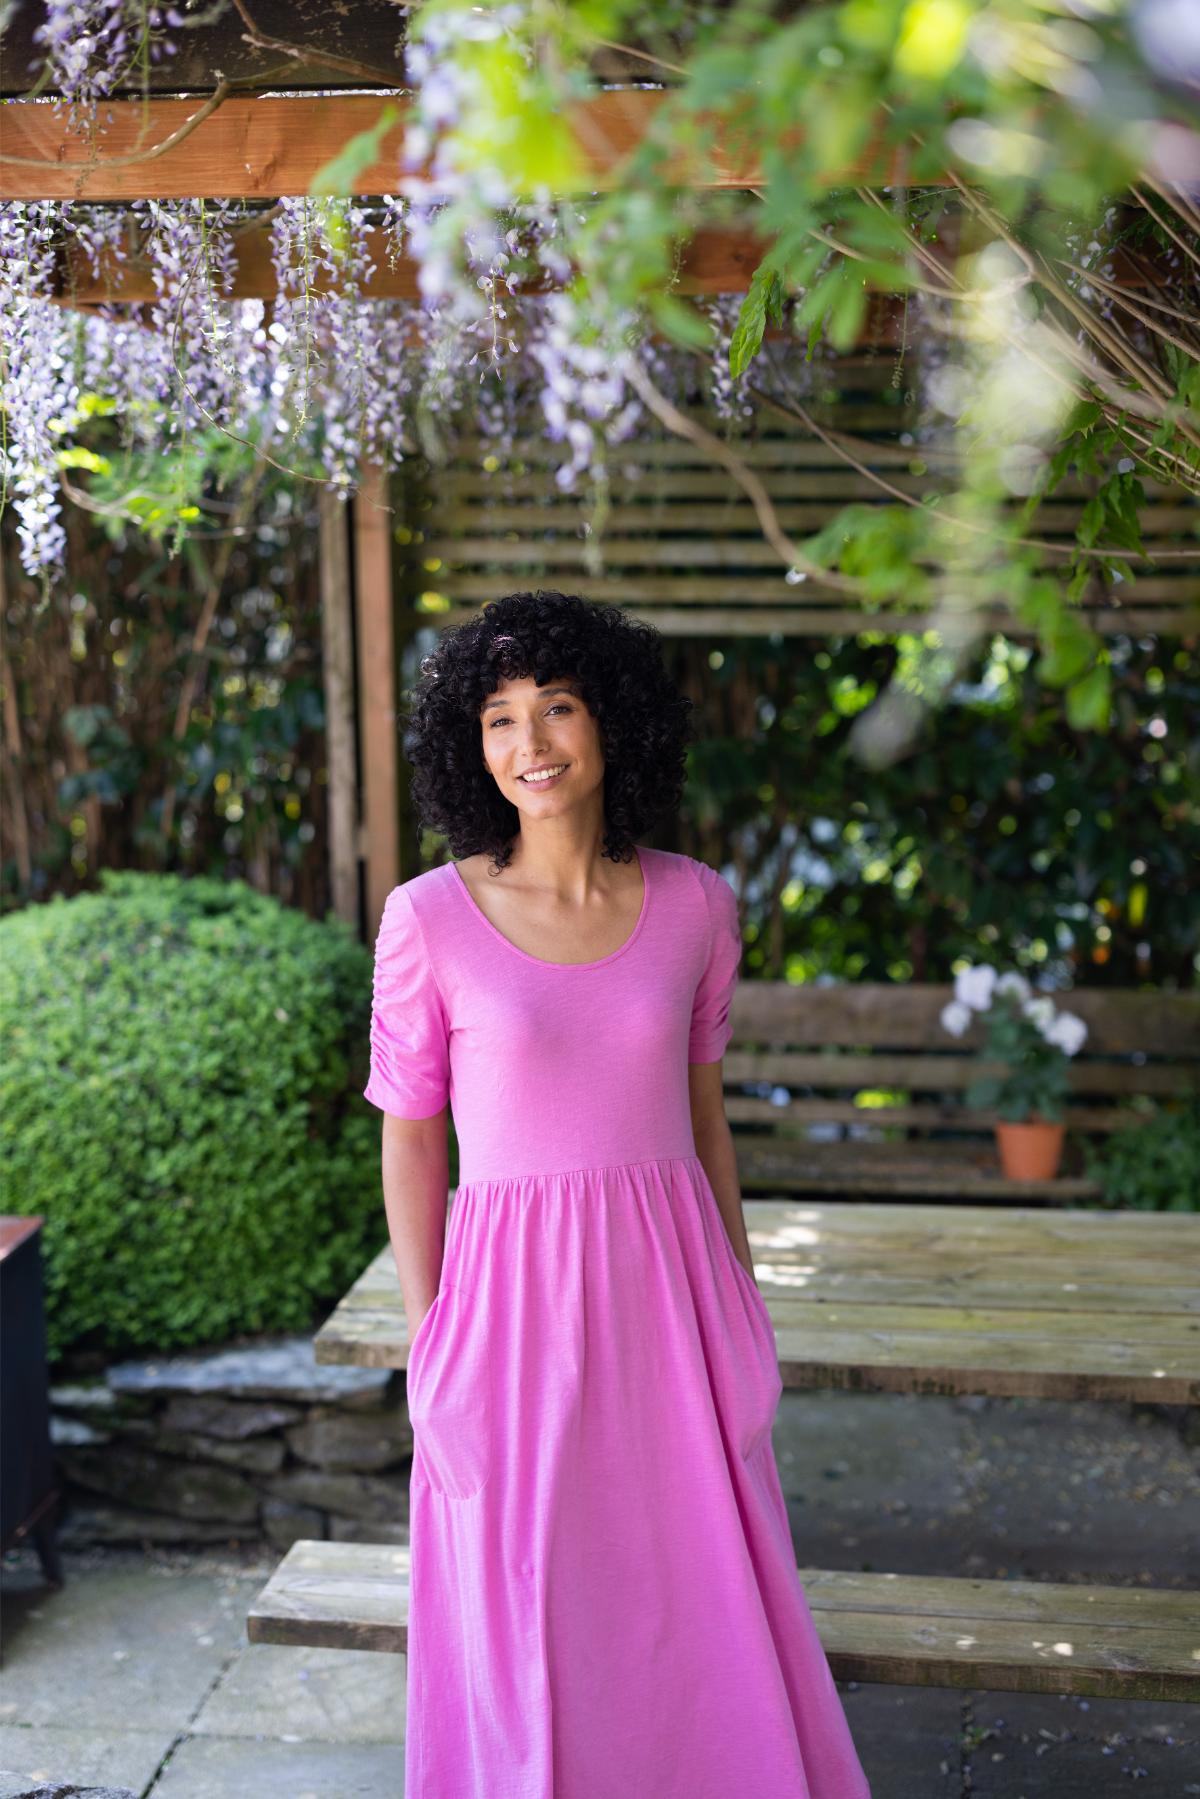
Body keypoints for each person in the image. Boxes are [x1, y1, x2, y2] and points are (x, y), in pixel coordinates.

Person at [364, 589, 872, 1799]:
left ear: (613, 721)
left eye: (557, 707)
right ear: (470, 745)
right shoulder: (427, 919)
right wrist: (432, 1344)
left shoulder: (697, 903)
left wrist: (742, 1307)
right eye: (498, 717)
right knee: (533, 1619)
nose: (529, 743)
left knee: (701, 1606)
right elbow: (411, 1143)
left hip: (673, 1309)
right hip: (508, 1325)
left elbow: (705, 1121)